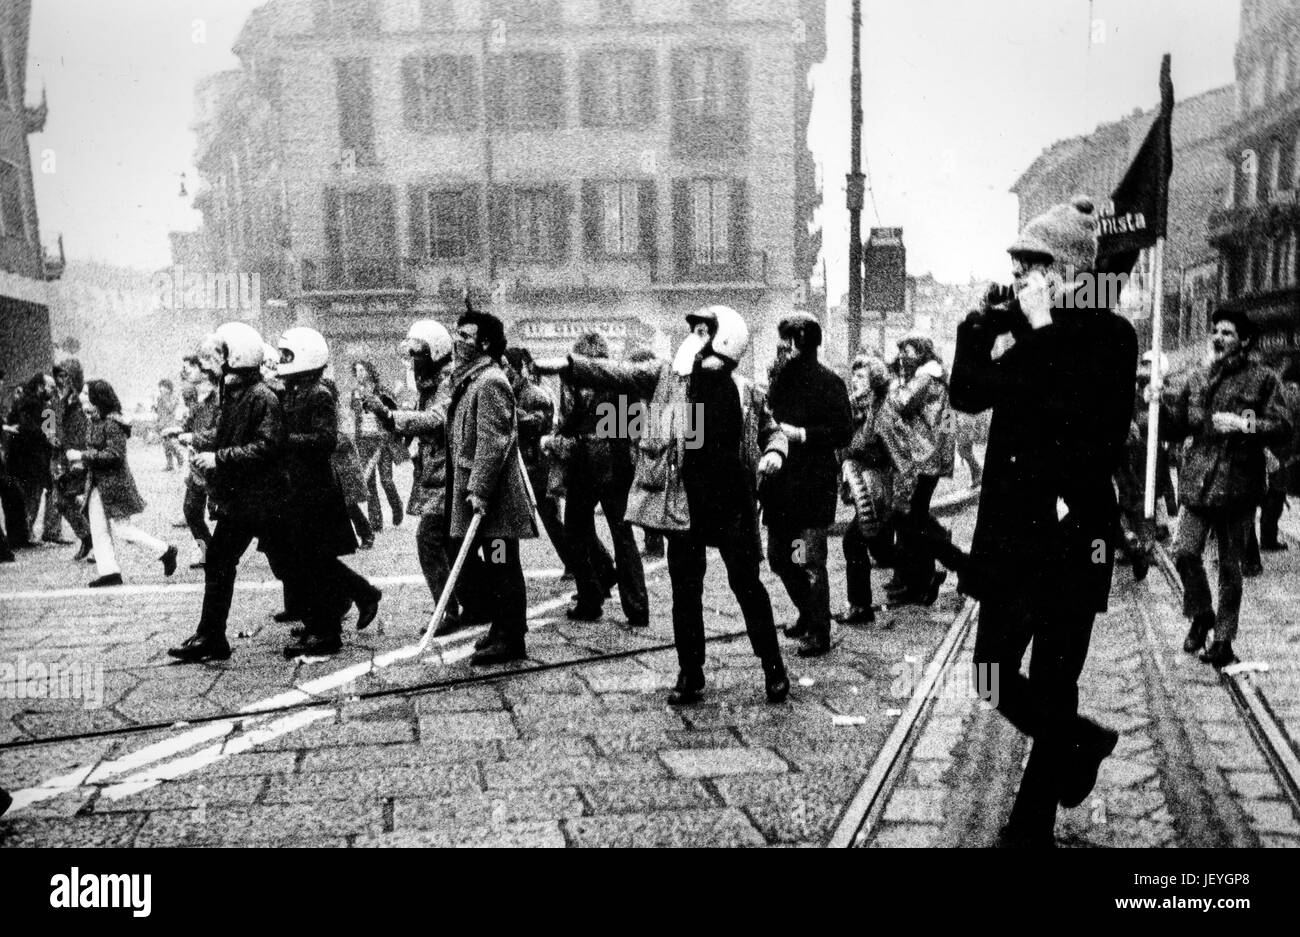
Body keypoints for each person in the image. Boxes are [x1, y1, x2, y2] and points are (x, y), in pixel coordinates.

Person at [949, 195, 1136, 848]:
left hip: (1072, 536)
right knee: (990, 672)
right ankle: (1083, 740)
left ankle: (1030, 826)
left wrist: (1042, 329)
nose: (1022, 273)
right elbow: (969, 393)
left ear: (1072, 271)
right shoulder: (1029, 333)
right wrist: (973, 331)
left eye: (1035, 262)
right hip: (1009, 535)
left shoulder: (1112, 338)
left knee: (1057, 679)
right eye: (1018, 262)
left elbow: (1086, 434)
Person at [536, 305, 791, 705]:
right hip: (683, 504)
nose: (693, 337)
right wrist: (567, 366)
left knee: (747, 587)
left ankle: (773, 667)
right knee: (684, 593)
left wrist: (775, 452)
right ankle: (690, 673)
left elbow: (771, 430)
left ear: (726, 339)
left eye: (704, 331)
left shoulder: (745, 392)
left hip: (731, 507)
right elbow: (616, 373)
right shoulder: (666, 379)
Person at [1159, 308, 1292, 667]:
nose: (1218, 337)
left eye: (1227, 333)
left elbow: (1282, 426)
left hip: (1238, 485)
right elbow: (1176, 427)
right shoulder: (1198, 377)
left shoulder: (1263, 379)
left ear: (1244, 341)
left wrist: (1243, 425)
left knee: (1230, 569)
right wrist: (1157, 405)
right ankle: (1202, 614)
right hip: (1199, 483)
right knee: (1184, 552)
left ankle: (1224, 640)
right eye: (1215, 331)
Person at [169, 322, 285, 664]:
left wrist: (217, 458)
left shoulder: (261, 396)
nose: (207, 364)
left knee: (296, 558)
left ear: (235, 357)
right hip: (246, 496)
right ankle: (211, 636)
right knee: (227, 560)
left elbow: (266, 447)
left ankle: (349, 602)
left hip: (260, 497)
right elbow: (226, 435)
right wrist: (198, 441)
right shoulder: (235, 392)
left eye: (215, 355)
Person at [363, 319, 475, 637]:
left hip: (450, 473)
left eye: (418, 353)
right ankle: (470, 603)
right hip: (436, 473)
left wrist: (390, 415)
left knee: (429, 540)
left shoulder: (447, 381)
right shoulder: (430, 382)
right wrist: (391, 412)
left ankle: (448, 610)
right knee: (450, 543)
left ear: (435, 351)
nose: (413, 361)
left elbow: (437, 419)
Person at [276, 327, 379, 658]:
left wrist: (285, 442)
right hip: (299, 488)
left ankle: (328, 631)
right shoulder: (294, 390)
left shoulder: (318, 393)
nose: (282, 361)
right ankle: (353, 600)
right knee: (311, 560)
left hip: (316, 489)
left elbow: (325, 440)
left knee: (314, 560)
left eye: (288, 355)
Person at [445, 307, 538, 665]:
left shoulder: (490, 382)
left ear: (484, 343)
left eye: (465, 337)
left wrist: (479, 490)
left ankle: (512, 636)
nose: (457, 342)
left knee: (502, 563)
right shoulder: (472, 380)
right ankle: (501, 628)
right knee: (496, 563)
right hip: (482, 498)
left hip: (494, 501)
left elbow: (493, 442)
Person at [762, 311, 852, 657]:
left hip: (813, 484)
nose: (781, 348)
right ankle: (808, 611)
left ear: (801, 342)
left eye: (786, 341)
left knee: (811, 561)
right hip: (781, 485)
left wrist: (801, 435)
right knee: (780, 558)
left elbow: (844, 430)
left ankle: (819, 631)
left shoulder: (830, 382)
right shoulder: (780, 380)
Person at [553, 332, 648, 628]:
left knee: (575, 531)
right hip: (618, 464)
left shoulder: (573, 380)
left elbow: (568, 420)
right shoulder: (621, 380)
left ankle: (590, 598)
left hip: (585, 463)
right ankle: (637, 607)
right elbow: (635, 425)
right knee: (623, 535)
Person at [68, 379, 178, 588]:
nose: (81, 396)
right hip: (98, 484)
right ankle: (109, 571)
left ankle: (165, 550)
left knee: (123, 529)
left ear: (96, 398)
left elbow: (115, 455)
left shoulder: (111, 424)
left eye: (85, 392)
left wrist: (82, 456)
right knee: (99, 528)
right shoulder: (95, 421)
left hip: (113, 485)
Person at [878, 332, 957, 606]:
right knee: (913, 519)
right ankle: (921, 578)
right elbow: (946, 424)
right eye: (901, 351)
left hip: (921, 458)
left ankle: (934, 571)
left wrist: (894, 380)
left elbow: (898, 403)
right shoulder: (936, 377)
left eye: (908, 351)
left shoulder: (924, 379)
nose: (902, 356)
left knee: (913, 521)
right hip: (929, 458)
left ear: (922, 353)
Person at [503, 346, 576, 576]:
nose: (502, 371)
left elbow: (538, 423)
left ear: (517, 369)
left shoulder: (535, 395)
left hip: (537, 467)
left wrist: (508, 412)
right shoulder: (506, 394)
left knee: (552, 520)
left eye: (506, 366)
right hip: (518, 465)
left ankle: (582, 564)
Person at [837, 352, 895, 625]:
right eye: (854, 375)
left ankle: (861, 607)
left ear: (874, 381)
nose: (855, 380)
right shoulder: (862, 408)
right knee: (875, 544)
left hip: (880, 487)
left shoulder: (882, 411)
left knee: (854, 541)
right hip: (870, 488)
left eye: (861, 376)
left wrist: (853, 451)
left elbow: (885, 451)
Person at [164, 349, 220, 569]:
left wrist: (193, 437)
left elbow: (221, 431)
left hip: (218, 464)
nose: (186, 369)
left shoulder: (219, 396)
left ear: (206, 371)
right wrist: (177, 431)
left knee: (238, 517)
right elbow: (191, 427)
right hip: (199, 466)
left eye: (192, 365)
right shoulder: (196, 398)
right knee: (191, 511)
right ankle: (209, 551)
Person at [351, 360, 404, 532]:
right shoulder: (355, 393)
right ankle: (376, 522)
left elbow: (394, 415)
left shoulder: (382, 392)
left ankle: (397, 507)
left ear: (369, 371)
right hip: (364, 440)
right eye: (356, 370)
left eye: (362, 370)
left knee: (386, 479)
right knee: (370, 483)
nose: (359, 373)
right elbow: (356, 417)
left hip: (382, 440)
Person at [48, 358, 93, 555]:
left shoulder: (84, 398)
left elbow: (91, 427)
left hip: (80, 454)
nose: (61, 379)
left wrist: (83, 456)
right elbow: (47, 420)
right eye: (59, 375)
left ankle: (99, 543)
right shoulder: (54, 399)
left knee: (89, 500)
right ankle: (87, 537)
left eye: (65, 375)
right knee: (60, 501)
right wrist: (49, 435)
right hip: (61, 456)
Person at [5, 373, 54, 538]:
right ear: (40, 387)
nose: (53, 390)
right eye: (50, 387)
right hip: (32, 459)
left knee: (25, 495)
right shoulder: (41, 407)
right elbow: (46, 434)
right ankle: (27, 531)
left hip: (20, 458)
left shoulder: (24, 402)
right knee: (32, 495)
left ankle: (25, 531)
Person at [155, 379, 182, 472]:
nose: (161, 389)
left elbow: (170, 408)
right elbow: (159, 412)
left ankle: (180, 458)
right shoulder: (159, 398)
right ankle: (169, 465)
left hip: (171, 424)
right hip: (162, 424)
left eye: (163, 386)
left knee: (172, 444)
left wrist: (164, 398)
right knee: (165, 445)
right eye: (160, 386)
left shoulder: (173, 397)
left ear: (169, 388)